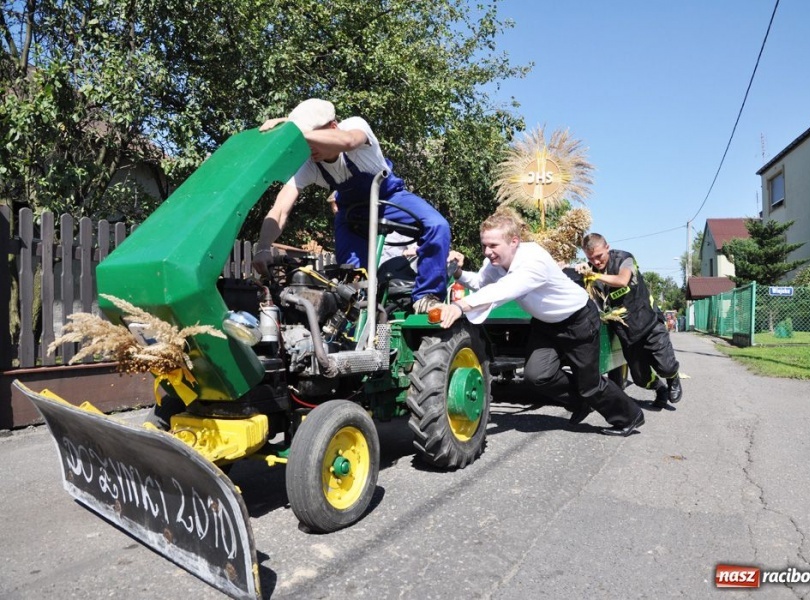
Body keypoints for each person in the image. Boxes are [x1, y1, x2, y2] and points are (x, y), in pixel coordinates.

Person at [437, 212, 645, 436]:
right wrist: (457, 272)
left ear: (514, 241)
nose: (487, 252)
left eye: (493, 245)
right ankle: (580, 402)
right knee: (537, 376)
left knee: (590, 384)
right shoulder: (494, 262)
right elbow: (480, 282)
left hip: (578, 320)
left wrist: (459, 307)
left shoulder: (533, 261)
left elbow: (503, 289)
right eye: (484, 245)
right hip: (545, 324)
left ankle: (630, 416)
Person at [253, 98, 450, 313]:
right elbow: (280, 209)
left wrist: (296, 133)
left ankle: (426, 297)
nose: (308, 146)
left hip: (390, 198)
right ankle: (357, 321)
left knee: (437, 225)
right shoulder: (309, 165)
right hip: (352, 213)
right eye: (302, 141)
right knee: (352, 278)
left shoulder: (355, 126)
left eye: (312, 137)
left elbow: (348, 141)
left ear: (333, 127)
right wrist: (263, 246)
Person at [574, 233, 682, 409]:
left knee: (666, 367)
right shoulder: (590, 269)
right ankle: (660, 388)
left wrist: (595, 276)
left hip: (649, 323)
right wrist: (579, 269)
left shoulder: (625, 259)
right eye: (591, 258)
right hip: (627, 334)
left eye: (599, 256)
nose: (596, 262)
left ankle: (672, 378)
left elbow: (623, 280)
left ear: (607, 247)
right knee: (641, 379)